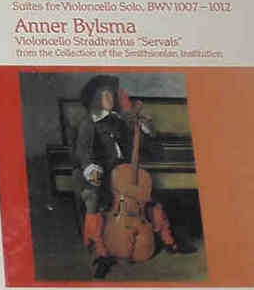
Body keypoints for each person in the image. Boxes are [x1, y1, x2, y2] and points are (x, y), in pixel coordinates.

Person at [72, 76, 195, 279]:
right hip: (101, 174)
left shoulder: (118, 120)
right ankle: (101, 252)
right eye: (105, 95)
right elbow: (82, 153)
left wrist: (143, 128)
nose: (111, 98)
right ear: (95, 99)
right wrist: (90, 168)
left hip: (124, 172)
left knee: (150, 199)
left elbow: (137, 140)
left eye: (111, 94)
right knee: (94, 199)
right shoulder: (89, 124)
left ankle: (168, 239)